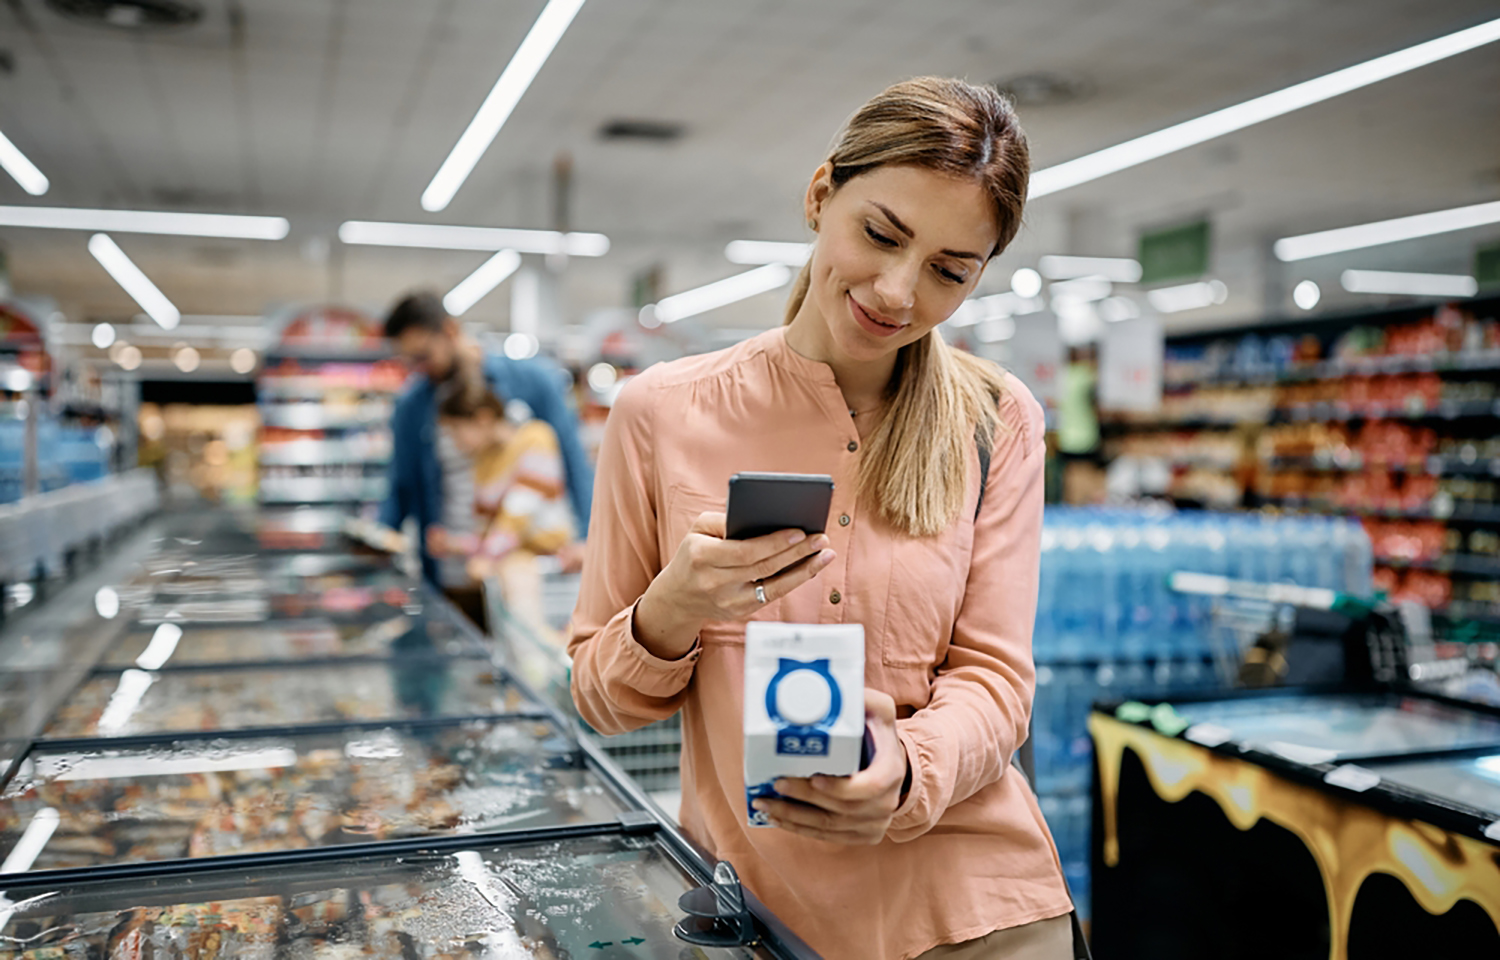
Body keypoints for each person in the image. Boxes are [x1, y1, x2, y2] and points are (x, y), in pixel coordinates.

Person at [568, 77, 1079, 960]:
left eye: (949, 272)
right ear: (820, 194)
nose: (896, 291)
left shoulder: (997, 421)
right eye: (881, 234)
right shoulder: (661, 413)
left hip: (979, 916)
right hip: (766, 922)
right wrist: (673, 611)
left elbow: (997, 682)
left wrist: (909, 771)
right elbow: (600, 701)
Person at [379, 292, 594, 606]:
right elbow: (402, 485)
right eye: (410, 360)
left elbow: (574, 464)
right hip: (452, 572)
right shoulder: (412, 406)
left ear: (450, 331)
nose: (418, 368)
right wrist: (379, 542)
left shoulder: (532, 382)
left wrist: (590, 539)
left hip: (523, 567)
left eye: (424, 355)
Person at [430, 379, 575, 633]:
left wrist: (485, 556)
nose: (454, 440)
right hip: (509, 575)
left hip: (549, 573)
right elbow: (490, 531)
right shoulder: (484, 461)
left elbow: (517, 517)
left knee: (539, 649)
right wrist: (454, 544)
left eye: (456, 429)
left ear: (483, 418)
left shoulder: (536, 438)